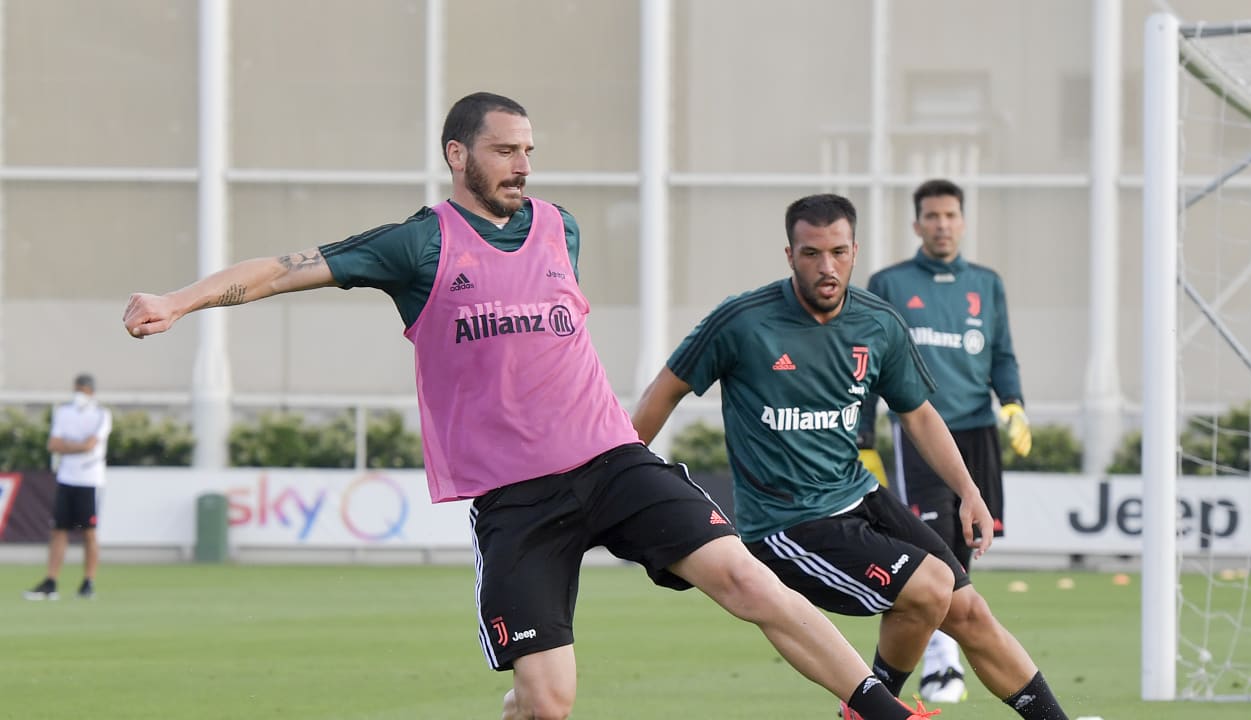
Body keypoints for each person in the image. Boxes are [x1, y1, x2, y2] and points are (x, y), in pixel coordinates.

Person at [121, 93, 937, 720]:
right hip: (517, 498)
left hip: (613, 462)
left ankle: (884, 710)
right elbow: (280, 268)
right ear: (457, 154)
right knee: (547, 703)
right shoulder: (419, 244)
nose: (522, 165)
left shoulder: (560, 229)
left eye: (529, 152)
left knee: (747, 582)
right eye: (504, 151)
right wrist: (178, 301)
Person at [631, 193, 1068, 720]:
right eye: (812, 253)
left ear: (855, 251)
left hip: (858, 494)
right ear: (789, 255)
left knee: (968, 609)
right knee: (929, 587)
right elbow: (665, 391)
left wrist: (968, 491)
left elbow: (919, 414)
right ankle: (871, 709)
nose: (826, 266)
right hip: (788, 523)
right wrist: (625, 477)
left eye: (838, 252)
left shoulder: (877, 323)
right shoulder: (743, 322)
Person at [860, 178, 1031, 703]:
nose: (941, 225)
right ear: (917, 224)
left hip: (976, 429)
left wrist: (1014, 401)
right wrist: (863, 434)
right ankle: (941, 661)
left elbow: (1001, 351)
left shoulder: (987, 283)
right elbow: (864, 359)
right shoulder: (889, 283)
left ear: (962, 221)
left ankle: (943, 656)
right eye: (931, 216)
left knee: (964, 541)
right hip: (919, 433)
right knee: (926, 545)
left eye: (950, 215)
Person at [24, 373, 112, 601]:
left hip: (89, 480)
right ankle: (51, 582)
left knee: (89, 532)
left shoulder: (101, 415)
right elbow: (54, 444)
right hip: (67, 477)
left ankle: (88, 582)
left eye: (82, 390)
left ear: (90, 391)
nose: (78, 394)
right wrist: (78, 446)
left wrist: (69, 446)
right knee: (58, 530)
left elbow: (91, 445)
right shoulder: (64, 412)